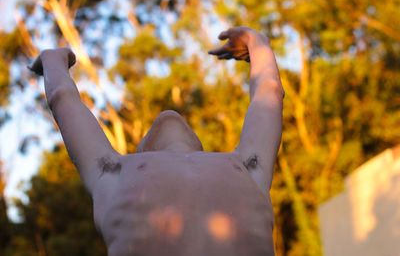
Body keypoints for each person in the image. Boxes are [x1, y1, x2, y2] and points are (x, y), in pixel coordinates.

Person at [29, 26, 284, 256]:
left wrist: (54, 61)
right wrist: (257, 42)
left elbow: (62, 97)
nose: (168, 116)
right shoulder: (247, 169)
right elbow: (269, 91)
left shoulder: (113, 174)